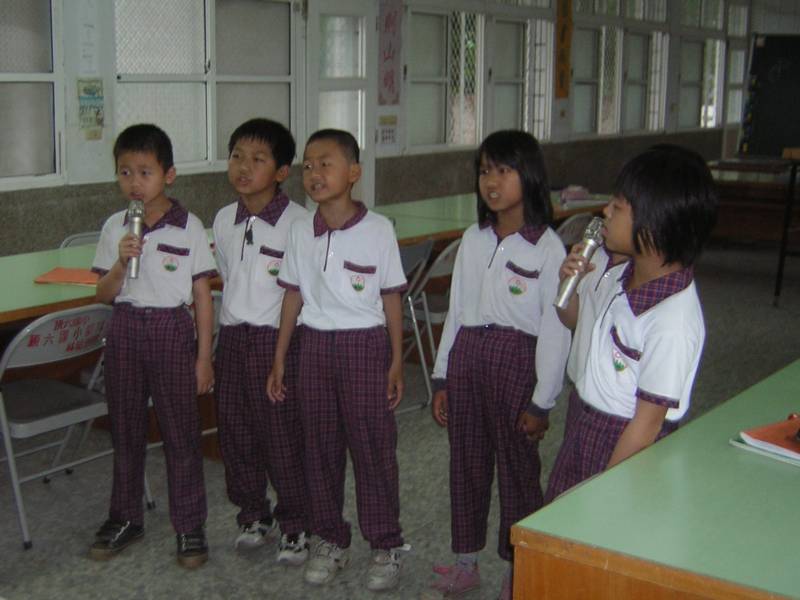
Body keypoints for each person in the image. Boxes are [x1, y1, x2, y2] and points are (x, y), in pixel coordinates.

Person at [427, 130, 571, 600]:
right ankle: (466, 562)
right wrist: (442, 376)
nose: (491, 180)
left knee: (517, 471)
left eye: (504, 170)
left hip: (515, 361)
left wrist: (542, 401)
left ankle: (519, 566)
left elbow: (555, 330)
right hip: (469, 356)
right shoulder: (473, 239)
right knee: (466, 464)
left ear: (529, 176)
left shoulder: (547, 247)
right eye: (485, 170)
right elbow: (457, 310)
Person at [266, 129, 408, 592]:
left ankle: (385, 544)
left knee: (373, 450)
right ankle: (329, 539)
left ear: (353, 173)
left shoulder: (378, 229)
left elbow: (391, 297)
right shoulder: (298, 230)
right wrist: (280, 357)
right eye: (308, 165)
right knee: (319, 449)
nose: (314, 173)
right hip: (313, 346)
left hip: (364, 346)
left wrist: (396, 359)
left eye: (326, 163)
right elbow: (292, 296)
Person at [546, 144, 718, 503]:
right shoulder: (619, 272)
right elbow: (574, 321)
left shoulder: (672, 321)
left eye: (618, 207)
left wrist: (607, 491)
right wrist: (569, 286)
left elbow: (646, 426)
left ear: (653, 224)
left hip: (622, 441)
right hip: (585, 418)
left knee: (588, 525)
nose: (605, 212)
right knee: (559, 517)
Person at [89, 123, 217, 568]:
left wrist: (204, 357)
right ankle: (126, 517)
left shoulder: (190, 227)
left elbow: (202, 296)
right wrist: (120, 264)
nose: (134, 182)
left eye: (145, 172)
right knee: (125, 430)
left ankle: (190, 525)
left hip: (170, 329)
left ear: (169, 175)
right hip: (125, 327)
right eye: (125, 172)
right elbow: (103, 294)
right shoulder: (115, 227)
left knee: (181, 434)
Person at [212, 118, 310, 564]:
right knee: (236, 434)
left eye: (257, 159)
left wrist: (284, 356)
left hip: (278, 342)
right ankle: (253, 514)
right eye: (236, 156)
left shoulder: (299, 224)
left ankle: (296, 524)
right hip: (233, 338)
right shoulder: (223, 219)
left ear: (282, 171)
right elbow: (227, 275)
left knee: (282, 437)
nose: (243, 167)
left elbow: (303, 293)